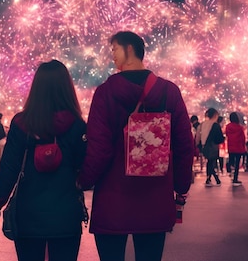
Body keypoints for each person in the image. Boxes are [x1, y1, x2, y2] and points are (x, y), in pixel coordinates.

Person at [77, 31, 194, 261]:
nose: (112, 56)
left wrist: (84, 180)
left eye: (114, 49)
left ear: (129, 49)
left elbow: (98, 147)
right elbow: (184, 144)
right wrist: (180, 187)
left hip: (113, 198)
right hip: (155, 196)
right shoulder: (169, 91)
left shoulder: (105, 93)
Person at [0, 60, 87, 261]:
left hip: (28, 214)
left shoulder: (21, 123)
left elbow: (9, 169)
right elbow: (85, 168)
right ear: (67, 88)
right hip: (66, 214)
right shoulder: (77, 125)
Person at [197, 108, 224, 186]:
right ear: (215, 115)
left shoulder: (202, 124)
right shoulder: (215, 125)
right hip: (212, 147)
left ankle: (209, 179)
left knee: (210, 162)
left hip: (203, 146)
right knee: (211, 163)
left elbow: (198, 137)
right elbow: (219, 138)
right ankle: (214, 179)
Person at [226, 112, 246, 186]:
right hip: (238, 147)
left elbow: (227, 135)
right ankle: (235, 178)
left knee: (231, 161)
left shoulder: (228, 127)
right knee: (237, 164)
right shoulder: (240, 127)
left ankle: (229, 168)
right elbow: (243, 138)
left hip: (231, 147)